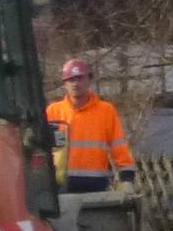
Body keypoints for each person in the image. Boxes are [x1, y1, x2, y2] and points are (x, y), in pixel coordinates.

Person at [46, 57, 136, 192]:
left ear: (89, 80)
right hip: (62, 183)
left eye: (79, 78)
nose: (75, 84)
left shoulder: (105, 110)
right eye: (71, 79)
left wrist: (127, 177)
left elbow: (118, 145)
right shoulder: (53, 111)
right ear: (64, 83)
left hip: (96, 183)